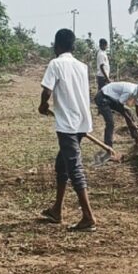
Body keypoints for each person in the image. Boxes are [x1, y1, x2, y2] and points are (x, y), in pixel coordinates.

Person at [38, 28, 97, 230]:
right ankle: (57, 210)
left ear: (57, 45)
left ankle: (88, 217)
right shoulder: (82, 66)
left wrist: (43, 106)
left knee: (74, 168)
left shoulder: (55, 64)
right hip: (81, 122)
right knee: (62, 164)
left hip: (67, 125)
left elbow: (47, 90)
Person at [95, 79, 138, 148]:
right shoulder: (130, 90)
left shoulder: (137, 95)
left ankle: (137, 140)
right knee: (110, 123)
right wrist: (130, 121)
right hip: (102, 97)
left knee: (129, 113)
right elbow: (120, 106)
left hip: (112, 99)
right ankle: (108, 148)